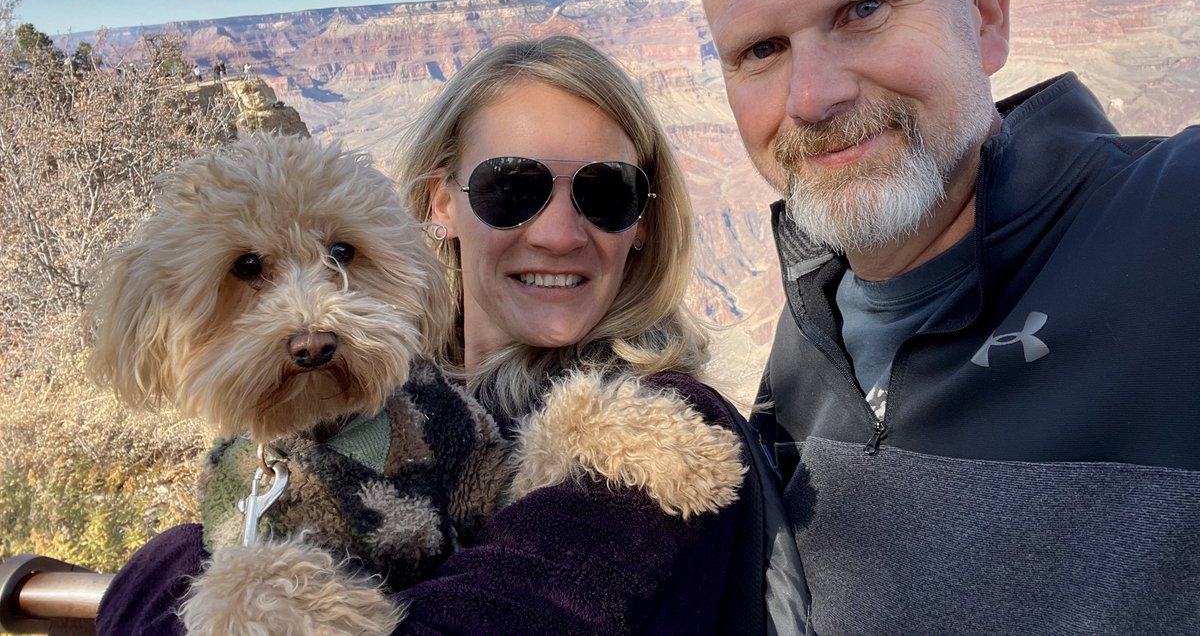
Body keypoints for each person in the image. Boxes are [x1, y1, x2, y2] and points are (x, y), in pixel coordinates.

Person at [675, 0, 1200, 634]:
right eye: (761, 49)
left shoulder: (1171, 225)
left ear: (984, 14)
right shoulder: (810, 330)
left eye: (863, 9)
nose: (812, 96)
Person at [95, 34, 763, 635]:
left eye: (607, 191)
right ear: (441, 202)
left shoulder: (674, 419)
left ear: (644, 221)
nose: (559, 234)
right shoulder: (409, 398)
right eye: (511, 187)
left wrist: (160, 569)